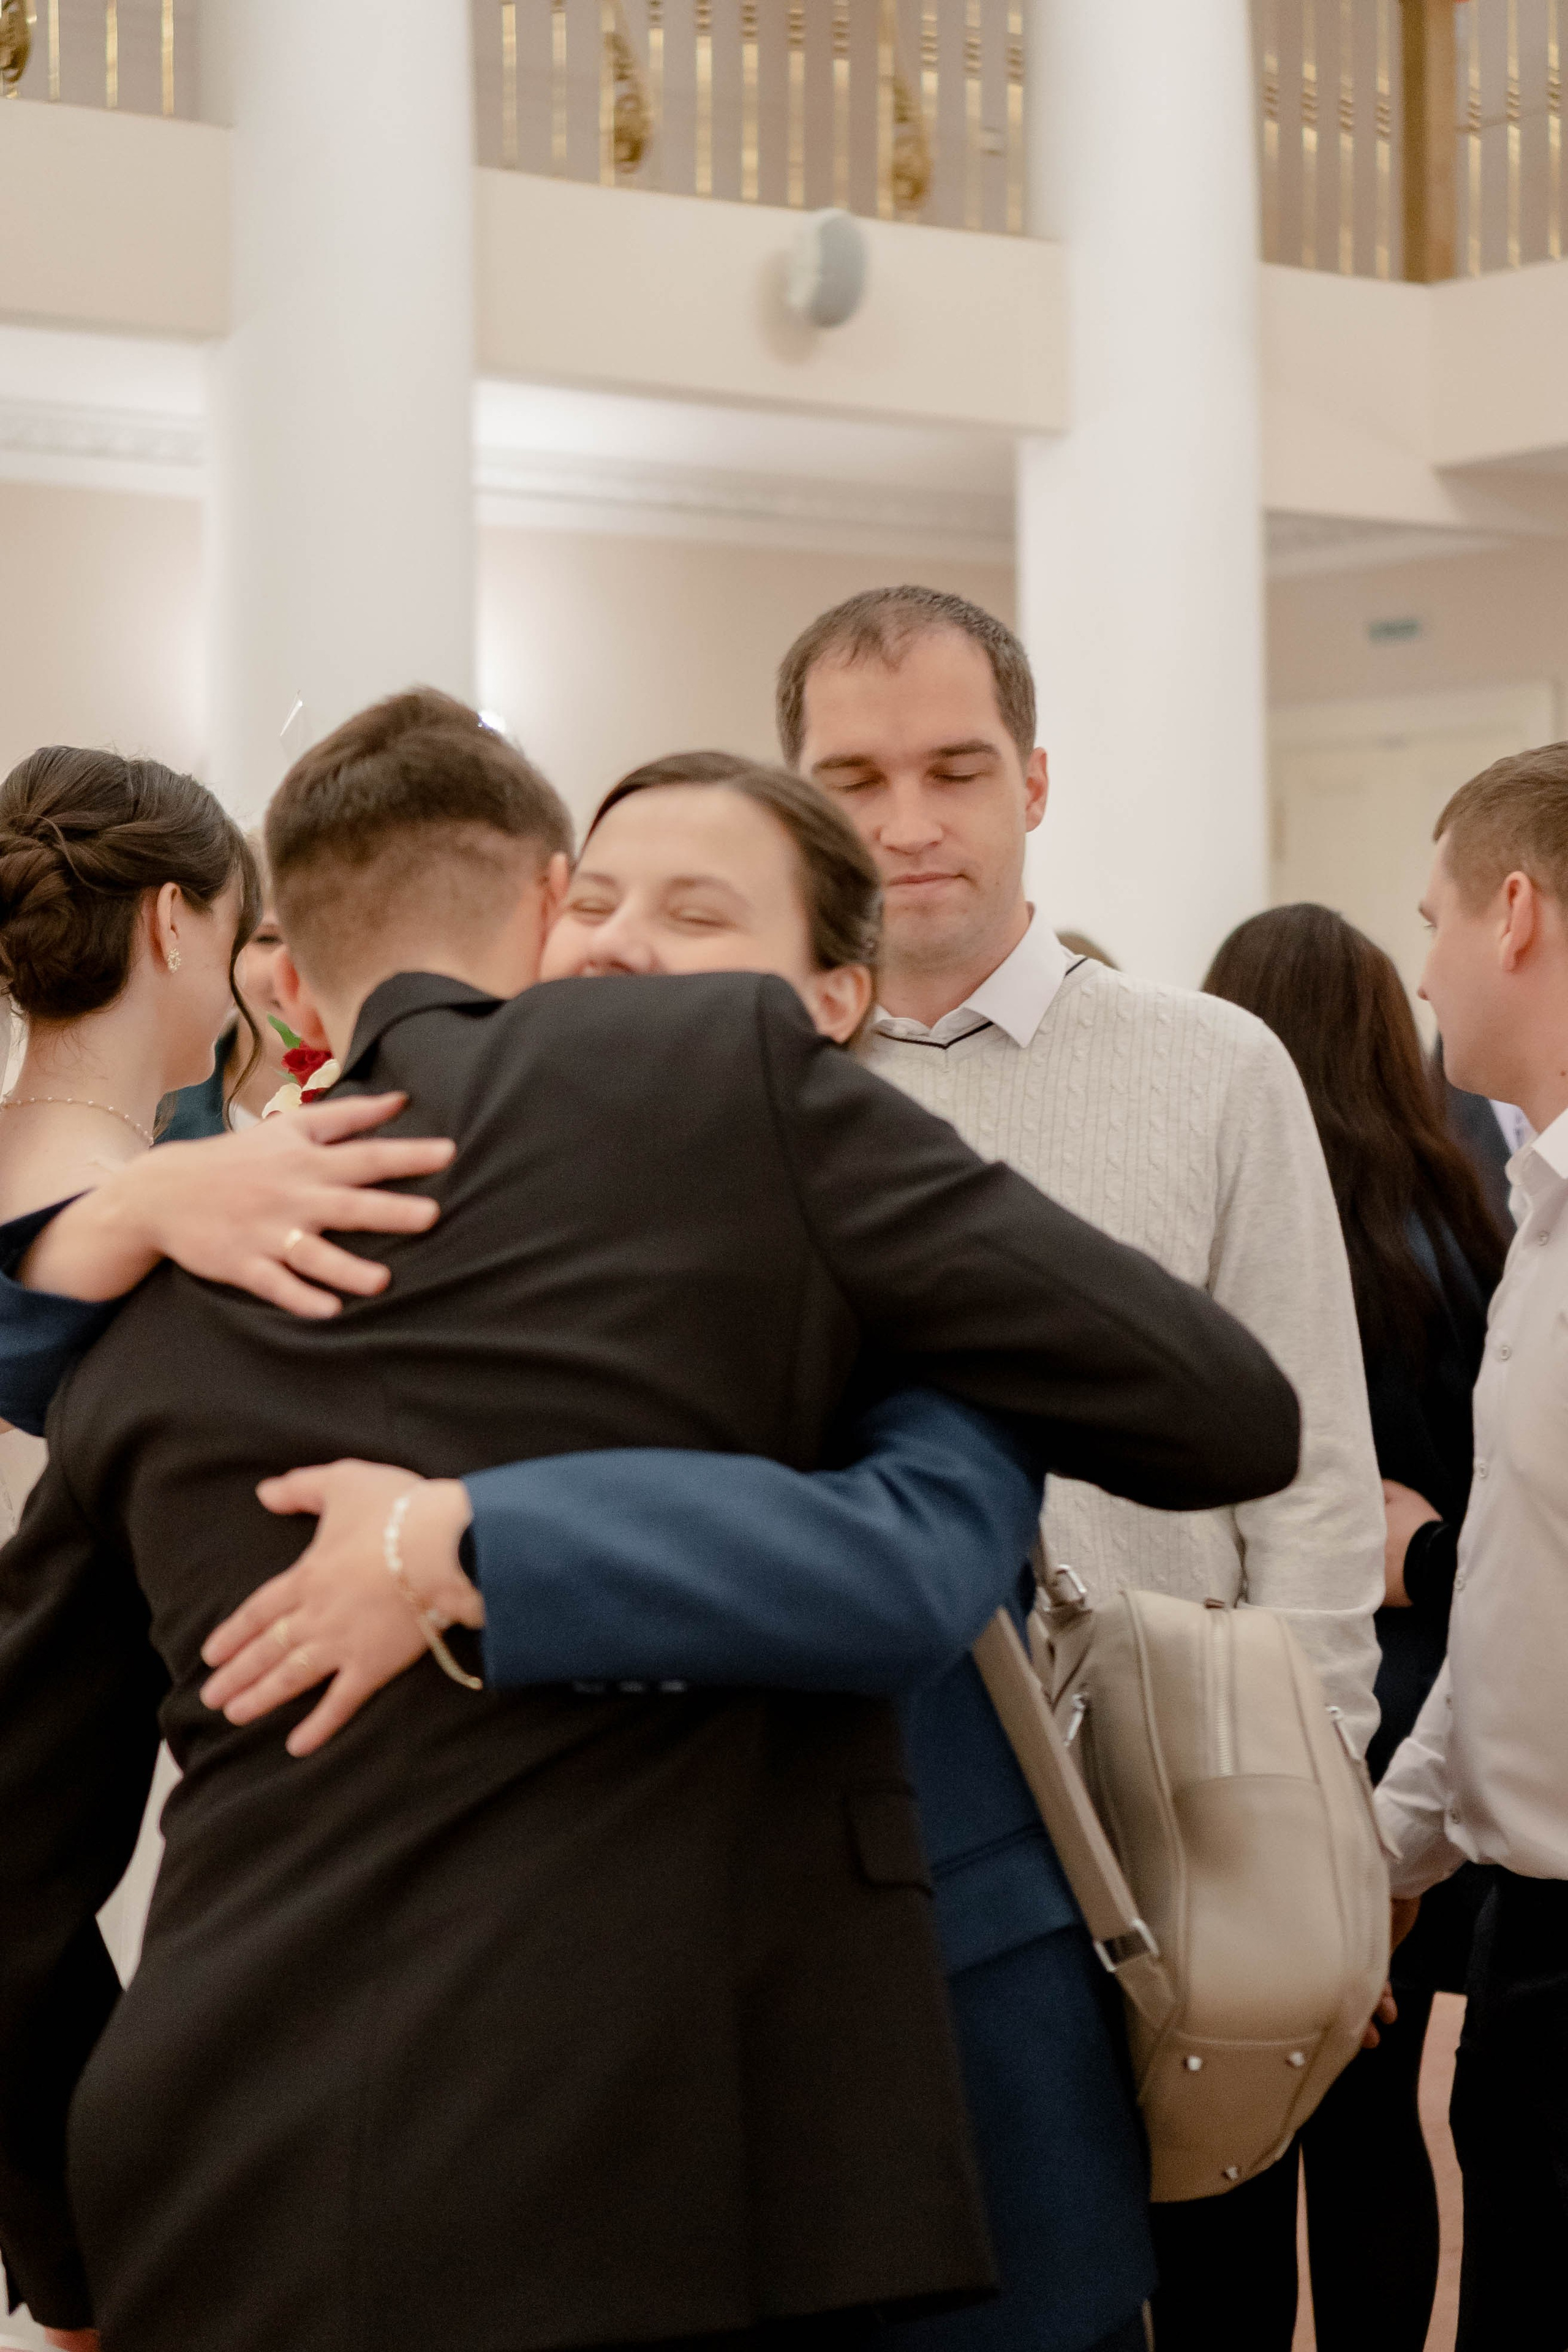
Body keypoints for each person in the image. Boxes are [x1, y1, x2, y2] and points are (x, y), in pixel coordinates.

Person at [0, 694, 1301, 2352]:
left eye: (695, 914)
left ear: (840, 1001)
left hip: (729, 2132)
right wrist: (98, 1220)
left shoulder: (815, 1198)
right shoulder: (219, 1236)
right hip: (608, 2182)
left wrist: (459, 1540)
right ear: (544, 910)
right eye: (602, 905)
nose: (621, 955)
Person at [771, 584, 1385, 2347]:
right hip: (871, 1849)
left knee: (1195, 2299)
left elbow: (1317, 1482)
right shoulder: (750, 1086)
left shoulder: (1212, 1068)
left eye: (956, 769)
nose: (908, 823)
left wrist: (1316, 1838)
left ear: (1035, 781)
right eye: (857, 776)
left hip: (1179, 1815)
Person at [1203, 902, 1507, 2351]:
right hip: (1416, 1696)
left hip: (1252, 1694)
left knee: (1233, 2118)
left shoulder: (1215, 1216)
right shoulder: (1462, 1210)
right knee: (1385, 2117)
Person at [1376, 742, 1568, 2352]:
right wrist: (1386, 1858)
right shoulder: (1538, 1201)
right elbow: (1520, 1596)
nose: (1422, 965)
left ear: (1515, 913)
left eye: (1432, 916)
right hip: (1523, 1927)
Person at [159, 837, 292, 1137]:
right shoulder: (153, 1117)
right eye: (268, 940)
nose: (297, 973)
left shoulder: (409, 1110)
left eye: (322, 942)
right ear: (226, 952)